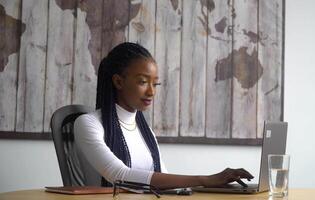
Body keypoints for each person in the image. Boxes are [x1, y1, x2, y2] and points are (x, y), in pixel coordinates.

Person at [74, 42, 254, 189]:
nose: (151, 91)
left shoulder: (145, 131)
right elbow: (121, 176)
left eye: (155, 84)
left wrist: (216, 186)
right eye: (143, 82)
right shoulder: (88, 124)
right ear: (118, 81)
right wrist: (204, 179)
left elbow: (164, 180)